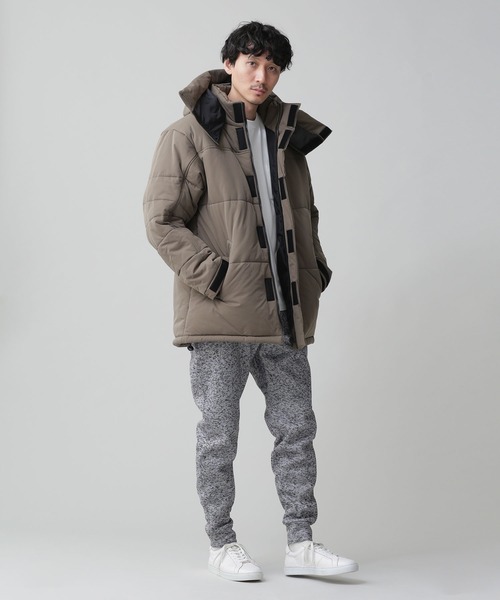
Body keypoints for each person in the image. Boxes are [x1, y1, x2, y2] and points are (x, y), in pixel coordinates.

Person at [143, 21, 358, 582]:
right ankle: (221, 542)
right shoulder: (189, 134)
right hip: (221, 315)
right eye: (252, 63)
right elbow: (161, 220)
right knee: (219, 434)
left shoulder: (287, 138)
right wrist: (215, 276)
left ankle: (301, 542)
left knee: (297, 428)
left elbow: (303, 217)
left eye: (273, 67)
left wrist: (315, 272)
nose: (262, 76)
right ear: (229, 64)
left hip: (284, 312)